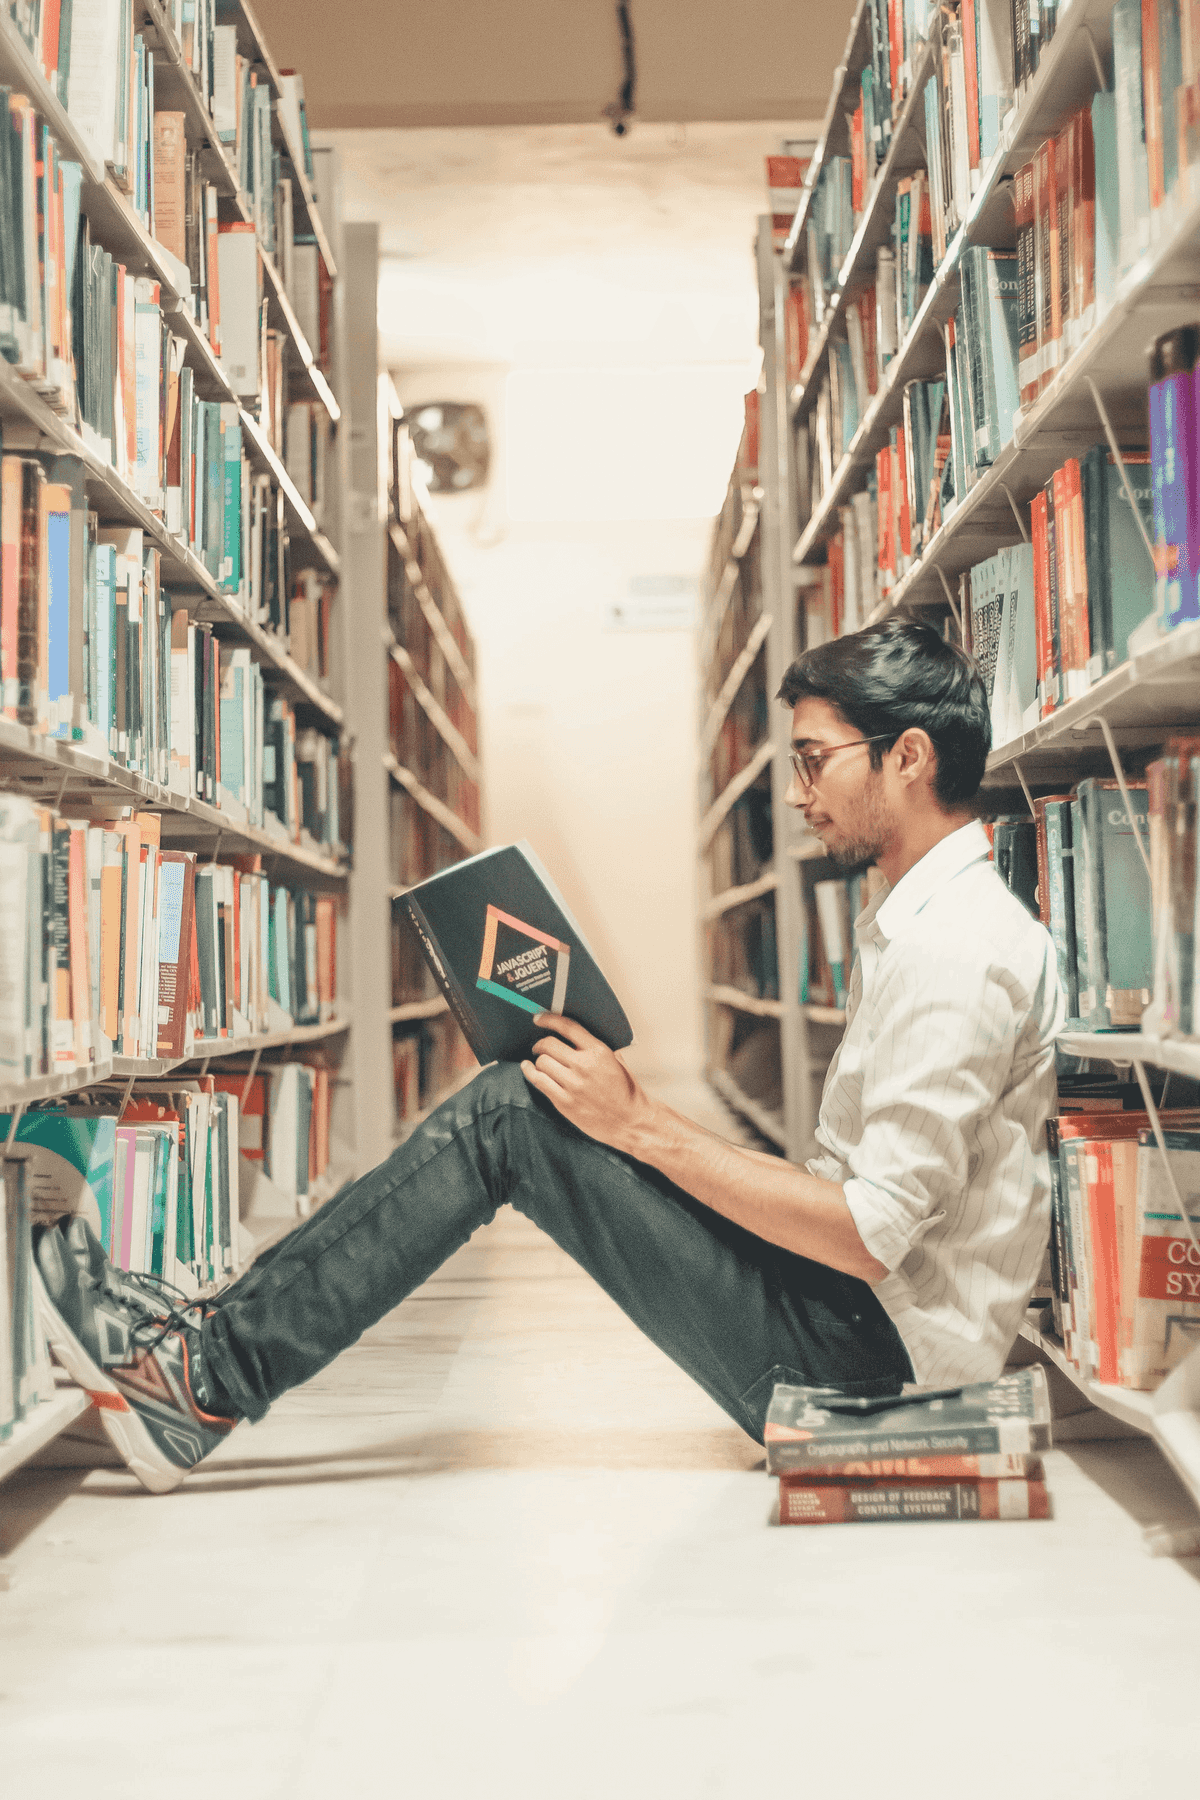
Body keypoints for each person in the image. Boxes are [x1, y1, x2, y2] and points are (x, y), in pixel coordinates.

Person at [35, 617, 1064, 1494]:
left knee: (509, 1118)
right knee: (531, 1103)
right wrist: (640, 1131)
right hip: (845, 1316)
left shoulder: (956, 954)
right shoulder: (924, 923)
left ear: (911, 758)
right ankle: (207, 1346)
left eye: (813, 758)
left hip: (866, 1376)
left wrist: (642, 1126)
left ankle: (202, 1377)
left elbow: (866, 1238)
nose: (795, 791)